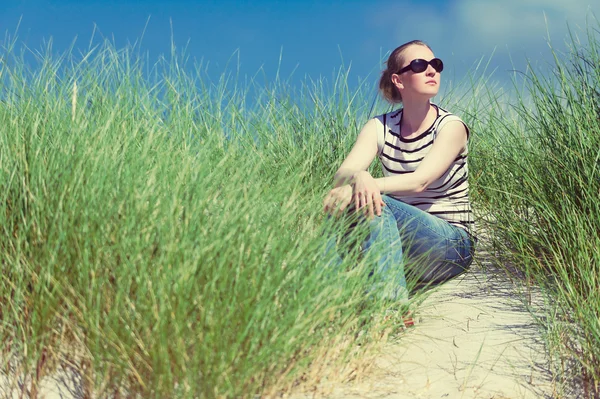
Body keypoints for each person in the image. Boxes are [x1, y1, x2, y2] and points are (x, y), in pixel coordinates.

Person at [322, 40, 475, 306]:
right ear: (398, 80)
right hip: (401, 246)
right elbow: (342, 174)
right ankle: (325, 297)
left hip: (451, 246)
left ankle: (388, 307)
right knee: (343, 203)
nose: (432, 71)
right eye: (419, 65)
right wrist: (359, 177)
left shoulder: (451, 126)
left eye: (435, 65)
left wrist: (369, 185)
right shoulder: (379, 127)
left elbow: (420, 181)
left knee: (372, 202)